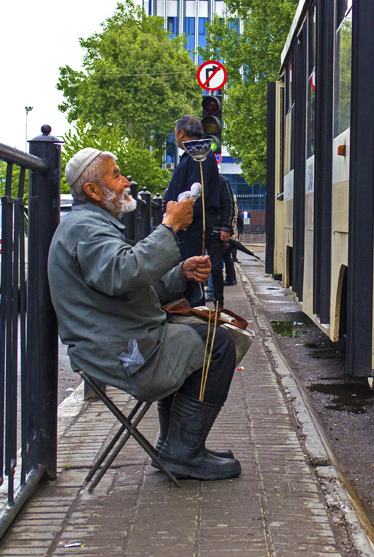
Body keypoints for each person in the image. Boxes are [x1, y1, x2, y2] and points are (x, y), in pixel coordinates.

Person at [48, 147, 240, 480]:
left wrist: (181, 273)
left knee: (201, 331)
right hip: (122, 351)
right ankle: (182, 452)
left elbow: (127, 283)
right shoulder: (88, 230)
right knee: (219, 343)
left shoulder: (89, 224)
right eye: (115, 175)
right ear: (92, 191)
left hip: (122, 340)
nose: (126, 182)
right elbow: (126, 273)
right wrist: (170, 225)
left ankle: (176, 445)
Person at [162, 116, 231, 307]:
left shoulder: (198, 154)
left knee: (190, 269)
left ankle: (192, 310)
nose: (176, 137)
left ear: (181, 133)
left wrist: (182, 218)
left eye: (176, 134)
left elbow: (196, 192)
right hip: (191, 223)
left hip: (191, 224)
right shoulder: (196, 155)